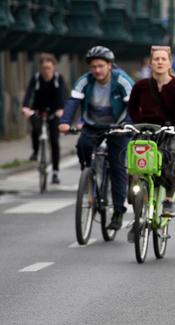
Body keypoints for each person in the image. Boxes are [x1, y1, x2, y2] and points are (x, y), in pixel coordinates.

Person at [59, 46, 135, 231]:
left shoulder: (122, 80)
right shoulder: (84, 81)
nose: (97, 70)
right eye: (93, 67)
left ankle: (118, 210)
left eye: (101, 66)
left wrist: (127, 126)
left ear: (110, 65)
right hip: (93, 124)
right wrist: (65, 122)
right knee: (83, 144)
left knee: (117, 167)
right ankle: (89, 175)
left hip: (118, 127)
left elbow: (133, 105)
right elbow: (72, 102)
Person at [127, 45, 175, 220]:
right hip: (146, 129)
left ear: (170, 63)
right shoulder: (140, 86)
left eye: (164, 59)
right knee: (134, 157)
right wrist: (136, 124)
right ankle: (136, 197)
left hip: (170, 129)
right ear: (150, 63)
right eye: (156, 59)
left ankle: (169, 199)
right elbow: (132, 107)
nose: (160, 62)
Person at [21, 53, 66, 184]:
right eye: (44, 68)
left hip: (54, 110)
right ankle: (35, 151)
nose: (46, 71)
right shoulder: (36, 79)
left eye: (49, 68)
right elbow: (28, 93)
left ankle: (56, 171)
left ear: (54, 68)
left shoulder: (58, 79)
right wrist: (25, 107)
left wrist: (61, 109)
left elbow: (62, 94)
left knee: (54, 139)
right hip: (38, 109)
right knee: (35, 129)